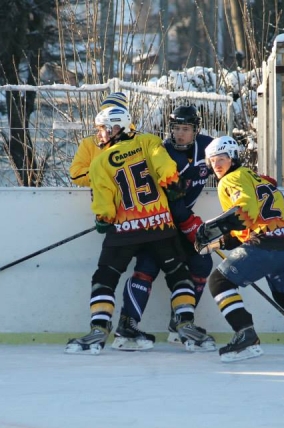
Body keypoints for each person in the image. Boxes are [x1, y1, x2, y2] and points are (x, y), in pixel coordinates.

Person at [64, 106, 215, 355]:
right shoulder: (149, 141)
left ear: (117, 127)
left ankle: (100, 328)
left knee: (105, 278)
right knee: (179, 275)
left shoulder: (100, 161)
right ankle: (185, 324)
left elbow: (104, 202)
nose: (99, 135)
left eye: (103, 129)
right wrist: (173, 182)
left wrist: (103, 219)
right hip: (161, 226)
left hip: (125, 230)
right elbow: (164, 167)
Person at [195, 135, 284, 362]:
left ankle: (246, 335)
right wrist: (221, 241)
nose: (216, 165)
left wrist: (212, 228)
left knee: (219, 282)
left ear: (233, 157)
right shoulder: (259, 180)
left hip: (267, 246)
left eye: (221, 158)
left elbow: (245, 210)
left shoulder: (231, 179)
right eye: (212, 160)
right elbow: (248, 225)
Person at [114, 105, 217, 351]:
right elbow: (170, 196)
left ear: (196, 130)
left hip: (183, 223)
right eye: (176, 128)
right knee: (146, 268)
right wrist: (189, 221)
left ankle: (179, 324)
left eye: (186, 129)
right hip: (158, 222)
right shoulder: (161, 152)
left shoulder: (208, 146)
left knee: (202, 264)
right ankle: (126, 327)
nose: (180, 134)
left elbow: (229, 160)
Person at [69, 92, 133, 187]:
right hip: (102, 196)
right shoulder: (89, 143)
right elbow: (76, 173)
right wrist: (105, 175)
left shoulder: (138, 140)